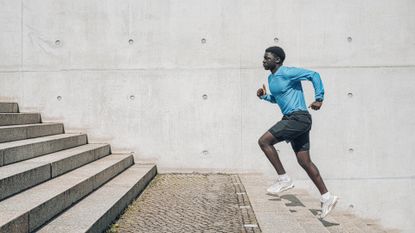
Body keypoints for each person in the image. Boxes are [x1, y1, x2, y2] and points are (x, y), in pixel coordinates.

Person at [257, 46, 338, 218]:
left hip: (298, 118)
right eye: (263, 58)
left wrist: (319, 98)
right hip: (294, 119)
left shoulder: (287, 72)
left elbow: (313, 75)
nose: (263, 60)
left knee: (264, 141)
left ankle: (284, 179)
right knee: (304, 161)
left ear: (277, 60)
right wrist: (264, 96)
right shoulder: (271, 78)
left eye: (267, 58)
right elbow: (278, 99)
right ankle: (327, 197)